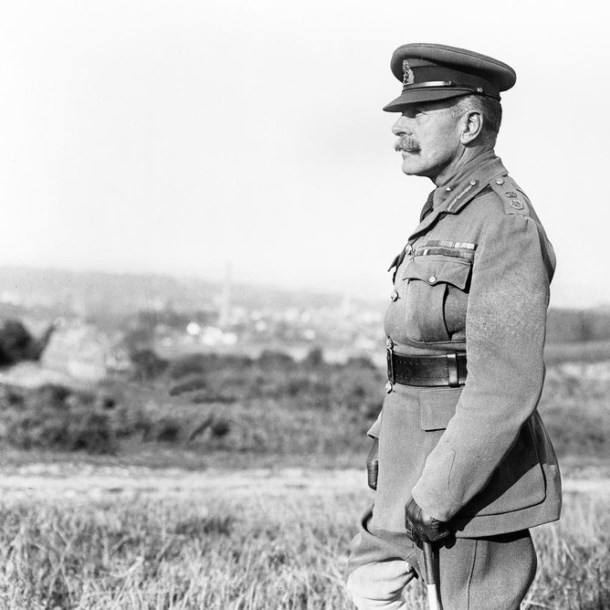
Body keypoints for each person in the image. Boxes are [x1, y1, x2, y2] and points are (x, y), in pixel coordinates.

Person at [345, 43, 562, 610]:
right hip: (409, 453)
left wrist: (442, 494)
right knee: (369, 588)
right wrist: (385, 442)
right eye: (401, 114)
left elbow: (504, 383)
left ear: (469, 124)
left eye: (418, 113)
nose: (399, 129)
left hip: (466, 476)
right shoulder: (448, 208)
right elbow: (416, 347)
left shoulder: (503, 221)